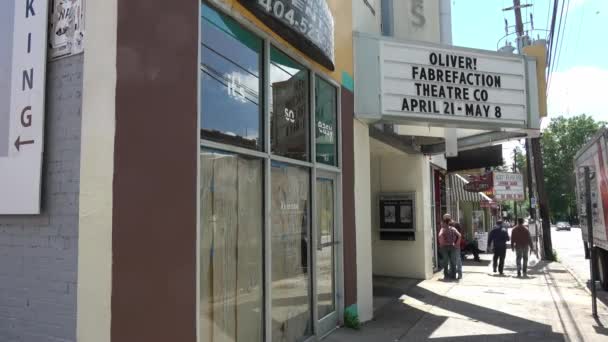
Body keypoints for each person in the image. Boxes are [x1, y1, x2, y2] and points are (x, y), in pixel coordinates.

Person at [438, 214, 461, 279]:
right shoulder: (453, 228)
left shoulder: (443, 229)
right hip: (452, 246)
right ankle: (453, 276)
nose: (442, 224)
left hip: (445, 247)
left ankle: (446, 275)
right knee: (453, 262)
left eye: (443, 222)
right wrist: (457, 243)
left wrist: (441, 243)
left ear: (445, 223)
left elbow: (439, 235)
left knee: (445, 262)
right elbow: (459, 235)